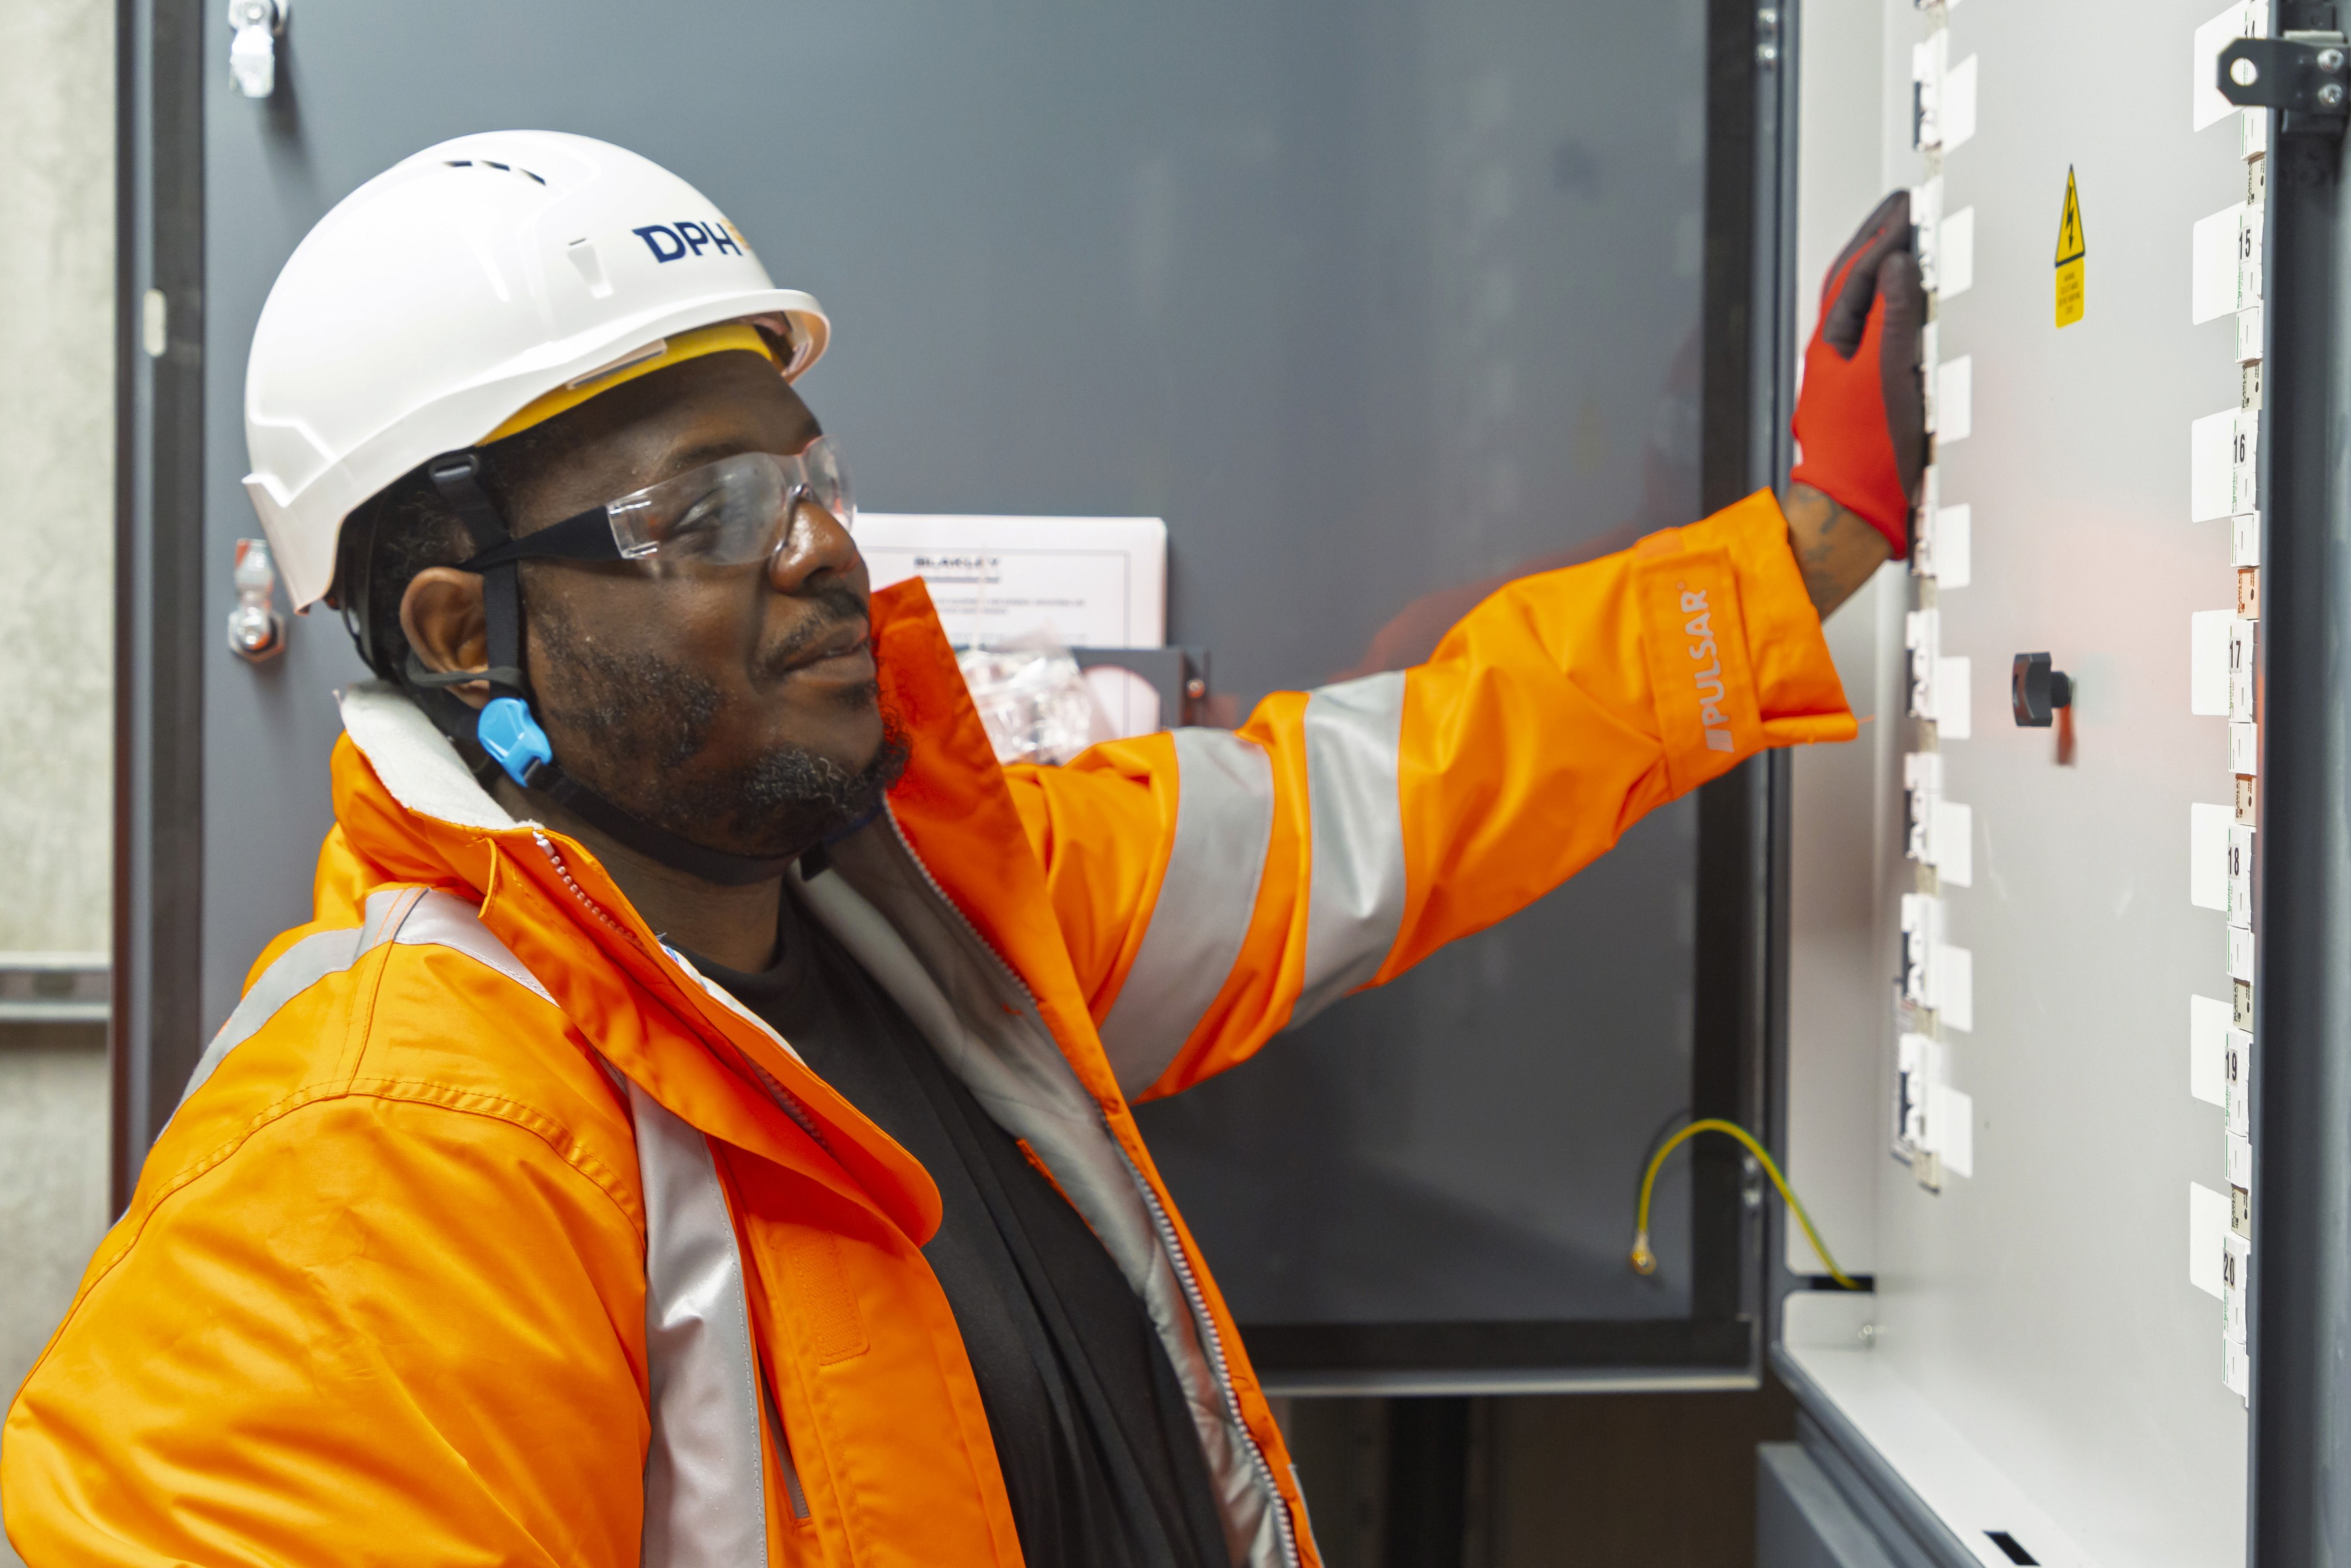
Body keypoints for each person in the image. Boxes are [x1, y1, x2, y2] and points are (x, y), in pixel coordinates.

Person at [0, 132, 1920, 1567]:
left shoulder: (909, 905)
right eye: (703, 512)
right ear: (454, 627)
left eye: (807, 475)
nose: (825, 544)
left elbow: (1376, 799)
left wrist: (1803, 550)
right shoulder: (387, 1157)